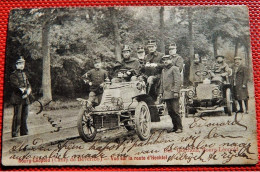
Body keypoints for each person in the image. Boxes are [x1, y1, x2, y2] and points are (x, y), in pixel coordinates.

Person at [159, 55, 182, 133]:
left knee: (176, 111)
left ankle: (179, 127)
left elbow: (178, 81)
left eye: (167, 60)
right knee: (170, 112)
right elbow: (162, 82)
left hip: (173, 93)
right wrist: (161, 92)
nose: (165, 62)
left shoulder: (174, 68)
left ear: (171, 60)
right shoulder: (163, 70)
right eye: (164, 60)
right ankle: (174, 127)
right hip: (166, 95)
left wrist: (176, 91)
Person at [10, 56, 32, 137]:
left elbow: (28, 85)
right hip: (17, 98)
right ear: (16, 65)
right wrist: (23, 92)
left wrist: (28, 92)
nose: (22, 65)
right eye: (19, 63)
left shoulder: (24, 74)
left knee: (24, 117)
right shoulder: (13, 75)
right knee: (17, 117)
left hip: (25, 98)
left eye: (23, 63)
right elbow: (16, 86)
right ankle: (15, 134)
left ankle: (24, 133)